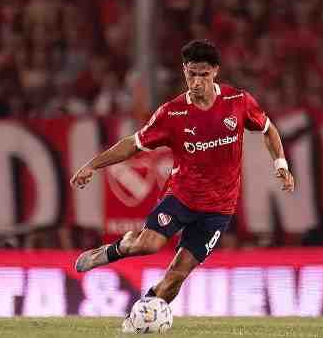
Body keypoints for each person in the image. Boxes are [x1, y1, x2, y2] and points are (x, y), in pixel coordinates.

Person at [70, 39, 295, 303]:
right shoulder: (172, 113)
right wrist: (93, 165)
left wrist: (281, 164)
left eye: (203, 74)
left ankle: (140, 320)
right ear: (184, 71)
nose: (197, 81)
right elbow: (134, 144)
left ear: (215, 72)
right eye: (191, 74)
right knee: (148, 245)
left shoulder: (238, 101)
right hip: (182, 197)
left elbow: (268, 129)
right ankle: (111, 251)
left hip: (219, 209)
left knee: (176, 276)